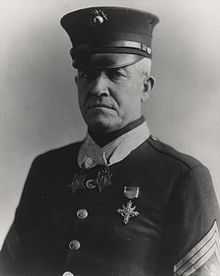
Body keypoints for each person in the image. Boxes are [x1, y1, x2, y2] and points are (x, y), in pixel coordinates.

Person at [1, 6, 220, 276]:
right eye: (87, 75)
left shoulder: (183, 178)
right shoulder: (46, 170)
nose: (97, 88)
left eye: (115, 74)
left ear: (145, 87)